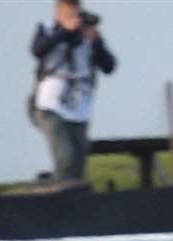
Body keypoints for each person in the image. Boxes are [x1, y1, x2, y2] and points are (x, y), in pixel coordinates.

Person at [30, 0, 116, 185]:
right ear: (58, 14)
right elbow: (37, 50)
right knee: (65, 155)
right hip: (49, 105)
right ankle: (59, 200)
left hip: (79, 107)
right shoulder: (46, 30)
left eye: (76, 14)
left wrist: (96, 42)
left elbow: (109, 66)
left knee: (78, 160)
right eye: (69, 14)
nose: (75, 19)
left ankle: (66, 193)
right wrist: (64, 31)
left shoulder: (87, 35)